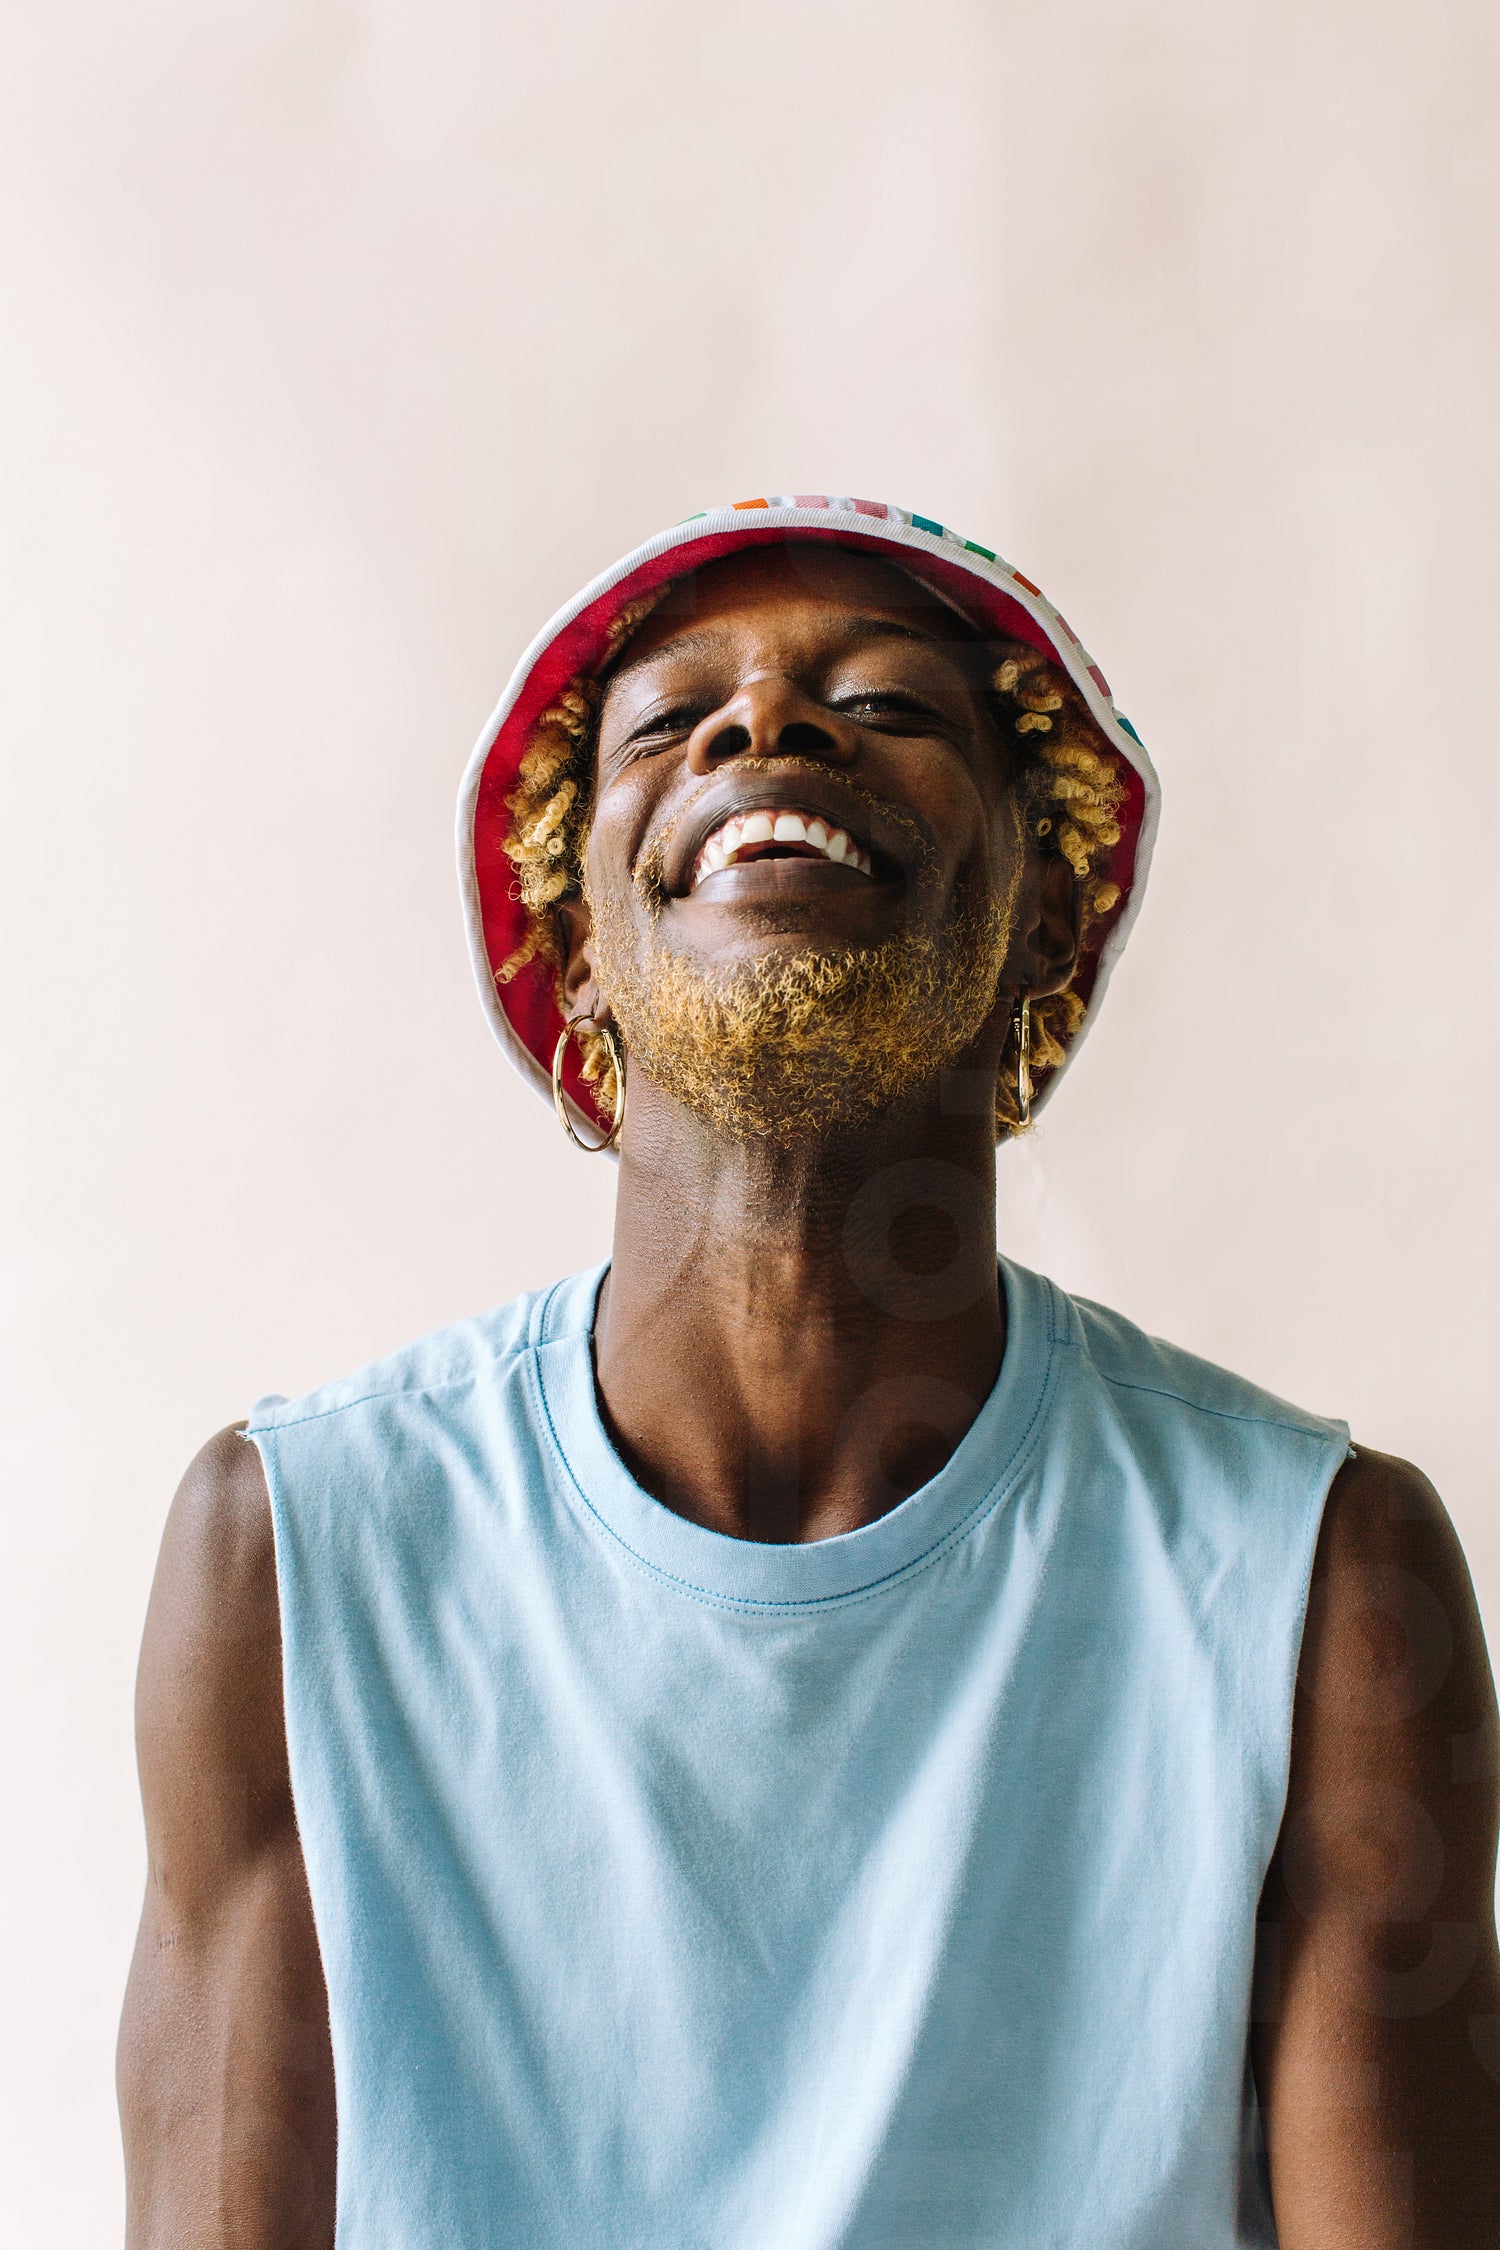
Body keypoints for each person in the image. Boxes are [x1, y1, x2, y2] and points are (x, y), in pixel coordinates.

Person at [118, 498, 1500, 2248]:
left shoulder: (1317, 1573)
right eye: (667, 721)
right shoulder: (294, 1555)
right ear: (573, 941)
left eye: (890, 705)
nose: (766, 724)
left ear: (1046, 912)